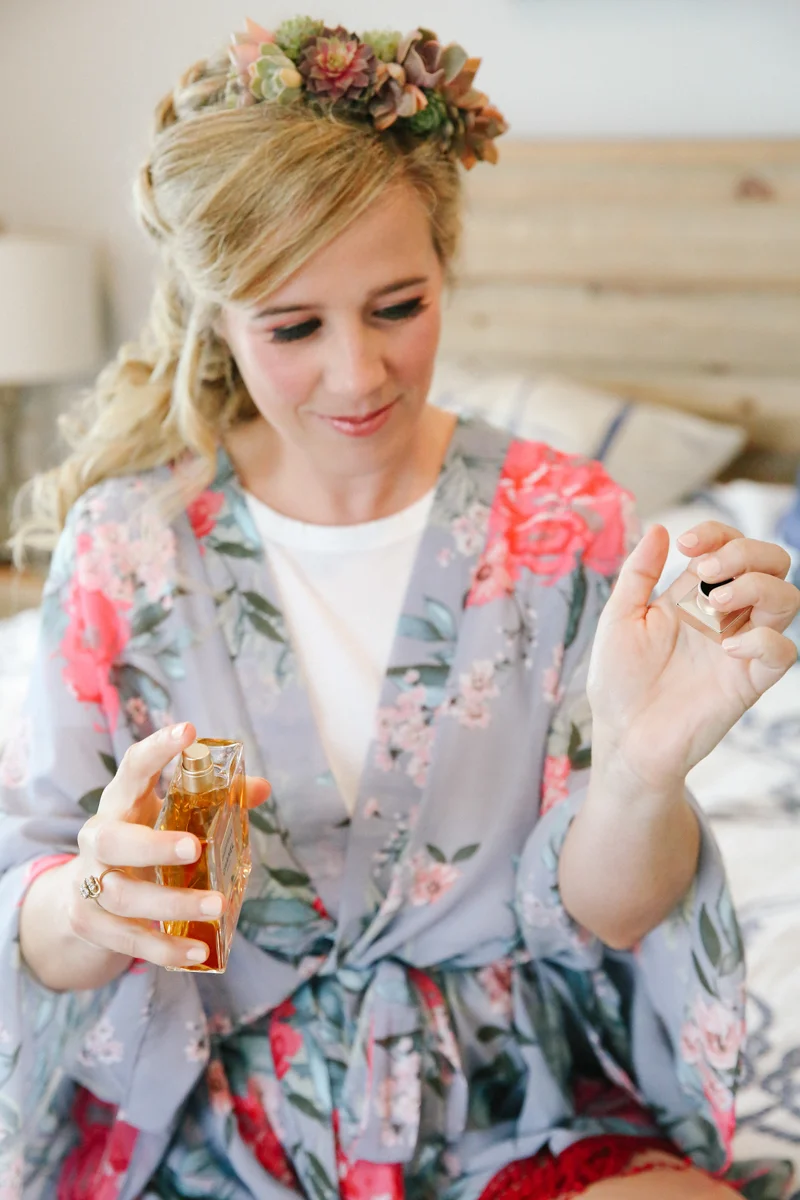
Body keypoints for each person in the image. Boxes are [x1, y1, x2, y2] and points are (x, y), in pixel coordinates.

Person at [1, 16, 798, 1200]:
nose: (356, 375)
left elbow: (607, 915)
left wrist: (637, 771)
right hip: (208, 1115)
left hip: (510, 1097)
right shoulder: (127, 547)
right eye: (291, 326)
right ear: (214, 314)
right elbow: (36, 916)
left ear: (445, 267)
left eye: (397, 306)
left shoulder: (565, 520)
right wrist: (96, 899)